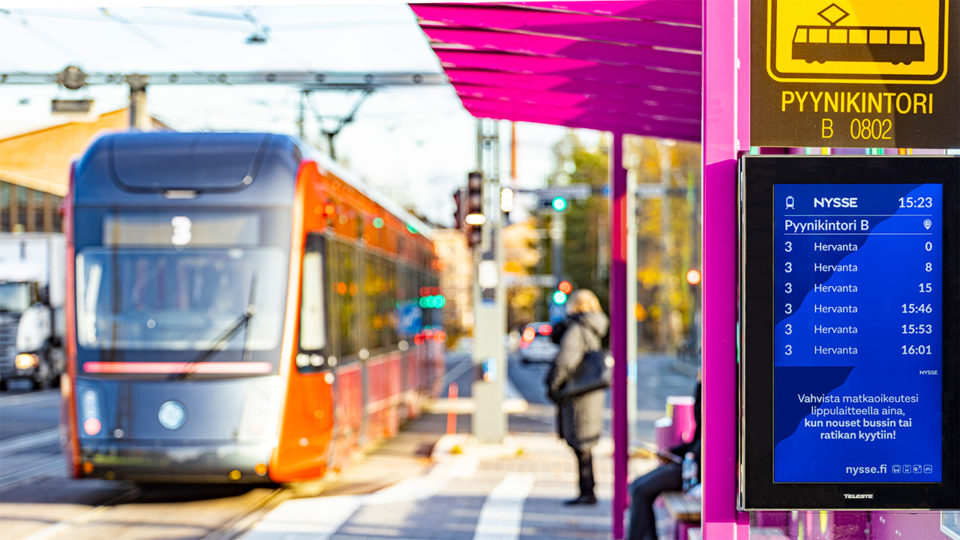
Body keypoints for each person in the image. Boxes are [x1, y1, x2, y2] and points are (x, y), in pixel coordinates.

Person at [545, 289, 609, 506]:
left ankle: (587, 492)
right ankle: (588, 490)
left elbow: (566, 360)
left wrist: (553, 385)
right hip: (591, 392)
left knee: (580, 444)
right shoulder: (594, 328)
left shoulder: (576, 328)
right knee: (585, 445)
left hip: (577, 394)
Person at [627, 370, 701, 540]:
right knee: (636, 487)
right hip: (688, 463)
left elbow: (701, 428)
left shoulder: (716, 400)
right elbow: (697, 439)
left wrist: (700, 385)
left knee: (640, 491)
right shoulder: (706, 401)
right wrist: (672, 452)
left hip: (694, 470)